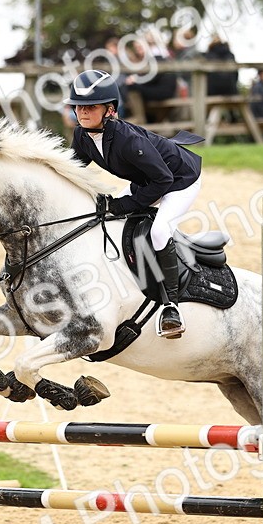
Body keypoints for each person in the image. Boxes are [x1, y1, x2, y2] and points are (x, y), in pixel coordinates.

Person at [65, 69, 202, 339]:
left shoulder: (129, 140)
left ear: (110, 110)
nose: (82, 113)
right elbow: (73, 170)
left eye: (90, 107)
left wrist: (125, 204)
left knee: (159, 231)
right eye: (78, 107)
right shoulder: (83, 136)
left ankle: (170, 306)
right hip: (148, 180)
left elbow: (163, 180)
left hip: (179, 181)